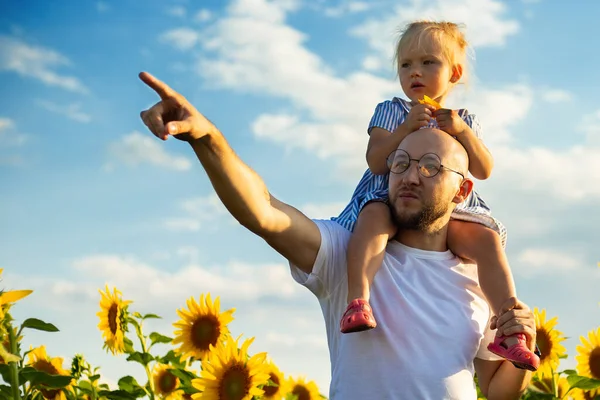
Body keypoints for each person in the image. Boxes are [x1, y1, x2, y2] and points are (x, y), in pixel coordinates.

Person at [137, 71, 537, 399]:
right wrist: (209, 138)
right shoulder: (348, 255)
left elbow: (498, 392)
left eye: (431, 166)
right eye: (400, 163)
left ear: (463, 191)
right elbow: (263, 211)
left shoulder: (478, 278)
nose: (410, 176)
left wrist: (525, 354)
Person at [332, 20, 539, 371]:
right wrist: (405, 129)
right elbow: (376, 161)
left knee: (487, 240)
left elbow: (484, 169)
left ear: (454, 72)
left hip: (447, 209)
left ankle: (509, 325)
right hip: (390, 193)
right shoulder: (393, 110)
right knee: (371, 221)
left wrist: (461, 132)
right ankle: (358, 300)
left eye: (428, 62)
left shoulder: (463, 120)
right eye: (405, 64)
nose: (415, 72)